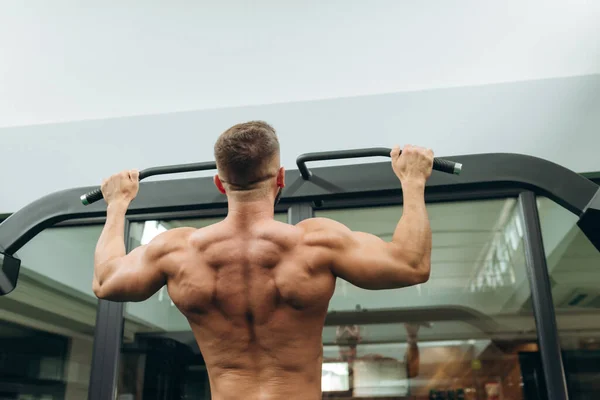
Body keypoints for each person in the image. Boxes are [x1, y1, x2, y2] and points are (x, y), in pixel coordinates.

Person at [93, 121, 434, 400]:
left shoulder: (177, 251)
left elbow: (106, 281)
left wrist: (117, 203)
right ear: (281, 178)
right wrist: (413, 180)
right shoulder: (316, 243)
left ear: (219, 183)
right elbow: (411, 264)